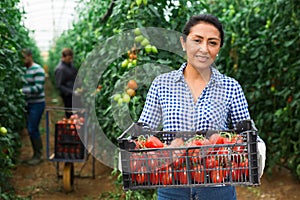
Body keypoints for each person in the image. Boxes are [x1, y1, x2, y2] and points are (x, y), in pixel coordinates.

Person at [138, 14, 266, 200]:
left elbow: (245, 132)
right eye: (197, 40)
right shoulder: (162, 84)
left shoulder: (230, 87)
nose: (204, 49)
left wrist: (257, 146)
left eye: (212, 43)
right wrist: (134, 145)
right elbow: (145, 130)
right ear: (183, 42)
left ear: (219, 48)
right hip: (172, 184)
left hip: (218, 185)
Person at [21, 49, 45, 165]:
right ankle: (36, 153)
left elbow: (38, 88)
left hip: (37, 103)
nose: (22, 60)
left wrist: (21, 91)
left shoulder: (38, 69)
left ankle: (38, 155)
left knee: (32, 128)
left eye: (24, 57)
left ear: (30, 56)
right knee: (30, 128)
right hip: (27, 103)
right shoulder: (23, 70)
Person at [55, 48, 78, 118]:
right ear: (63, 57)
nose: (70, 60)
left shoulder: (71, 66)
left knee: (77, 114)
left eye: (71, 58)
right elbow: (59, 85)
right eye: (68, 59)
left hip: (74, 95)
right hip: (67, 96)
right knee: (70, 114)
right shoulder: (60, 69)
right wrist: (72, 92)